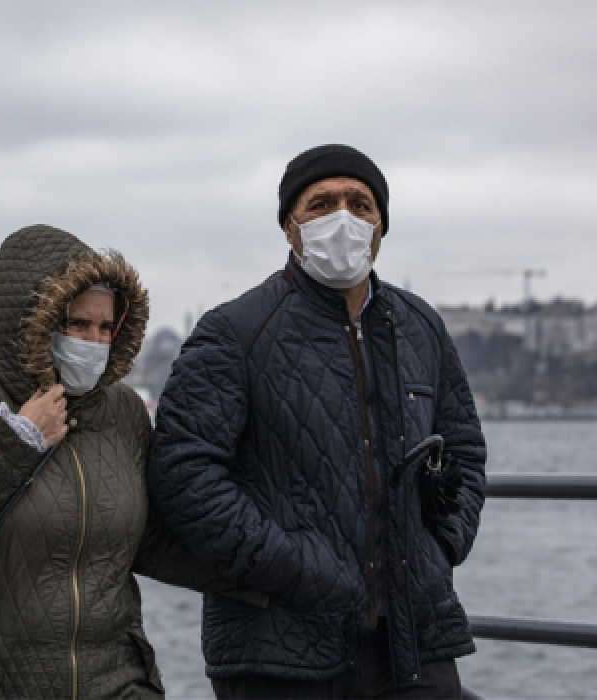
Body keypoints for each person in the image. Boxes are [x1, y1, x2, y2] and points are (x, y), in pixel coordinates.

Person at [148, 144, 487, 699]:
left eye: (360, 203)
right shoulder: (234, 332)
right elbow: (182, 476)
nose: (343, 218)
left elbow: (465, 452)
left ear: (381, 226)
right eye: (322, 203)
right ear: (289, 226)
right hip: (279, 647)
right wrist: (294, 568)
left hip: (415, 641)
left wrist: (440, 547)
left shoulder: (421, 326)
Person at [0, 224, 262, 699]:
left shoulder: (123, 412)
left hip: (117, 682)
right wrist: (16, 439)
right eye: (78, 325)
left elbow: (150, 539)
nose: (93, 341)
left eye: (106, 328)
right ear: (33, 320)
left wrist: (270, 572)